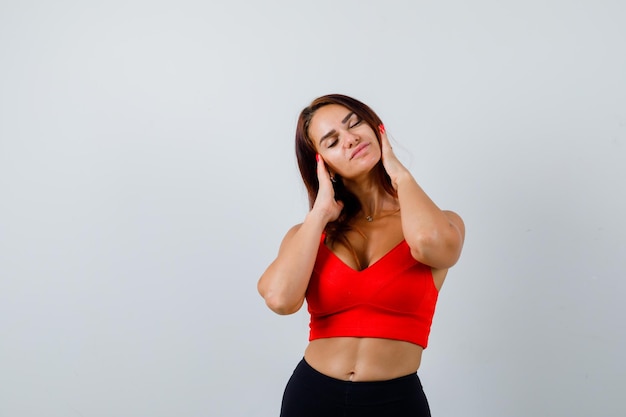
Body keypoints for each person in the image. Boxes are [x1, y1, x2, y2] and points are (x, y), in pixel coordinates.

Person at [258, 94, 465, 417]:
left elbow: (430, 244)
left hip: (394, 402)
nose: (350, 138)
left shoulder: (442, 222)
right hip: (312, 396)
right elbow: (279, 299)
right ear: (321, 163)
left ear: (376, 127)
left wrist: (400, 176)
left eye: (355, 123)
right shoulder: (309, 234)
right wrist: (320, 213)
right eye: (332, 140)